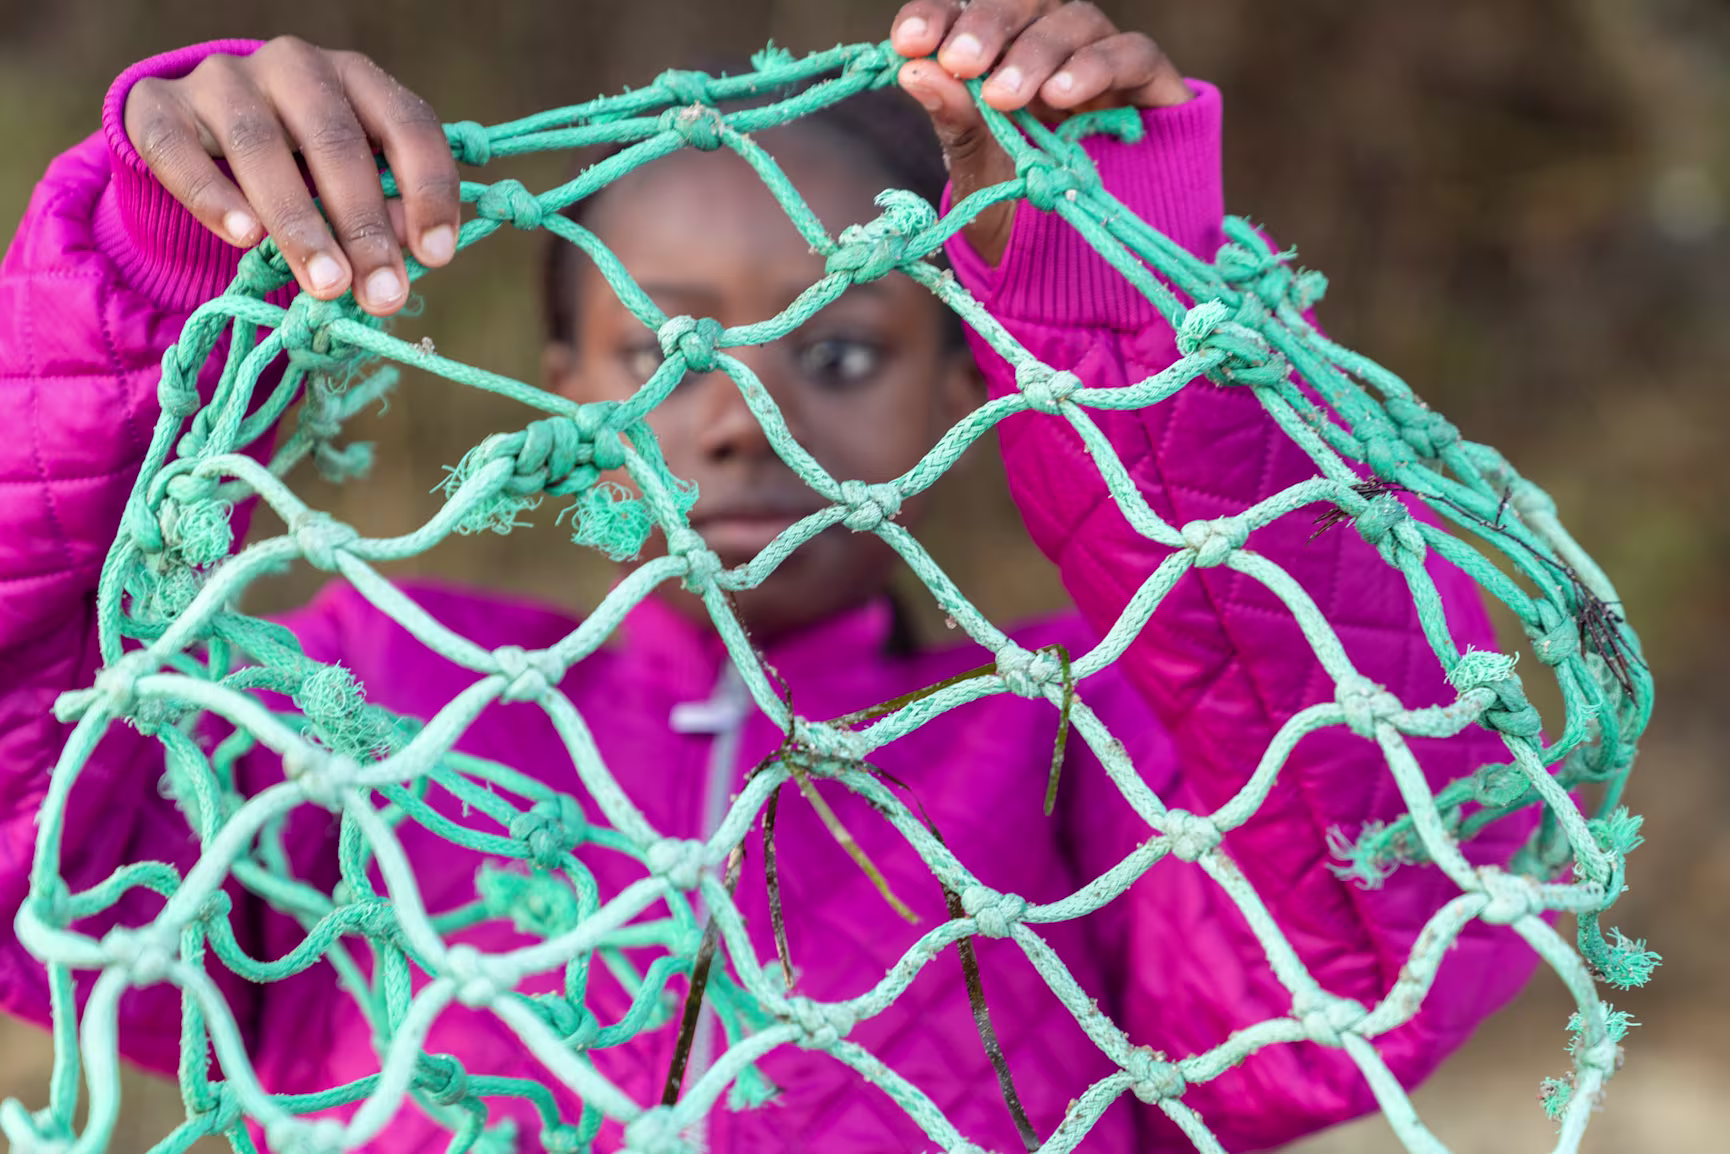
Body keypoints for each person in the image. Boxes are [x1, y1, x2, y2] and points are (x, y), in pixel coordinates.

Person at [0, 1, 1538, 1150]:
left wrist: (1121, 306)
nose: (739, 419)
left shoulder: (1077, 749)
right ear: (561, 383)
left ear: (967, 380)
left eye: (843, 349)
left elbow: (1392, 889)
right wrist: (154, 266)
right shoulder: (372, 710)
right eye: (662, 350)